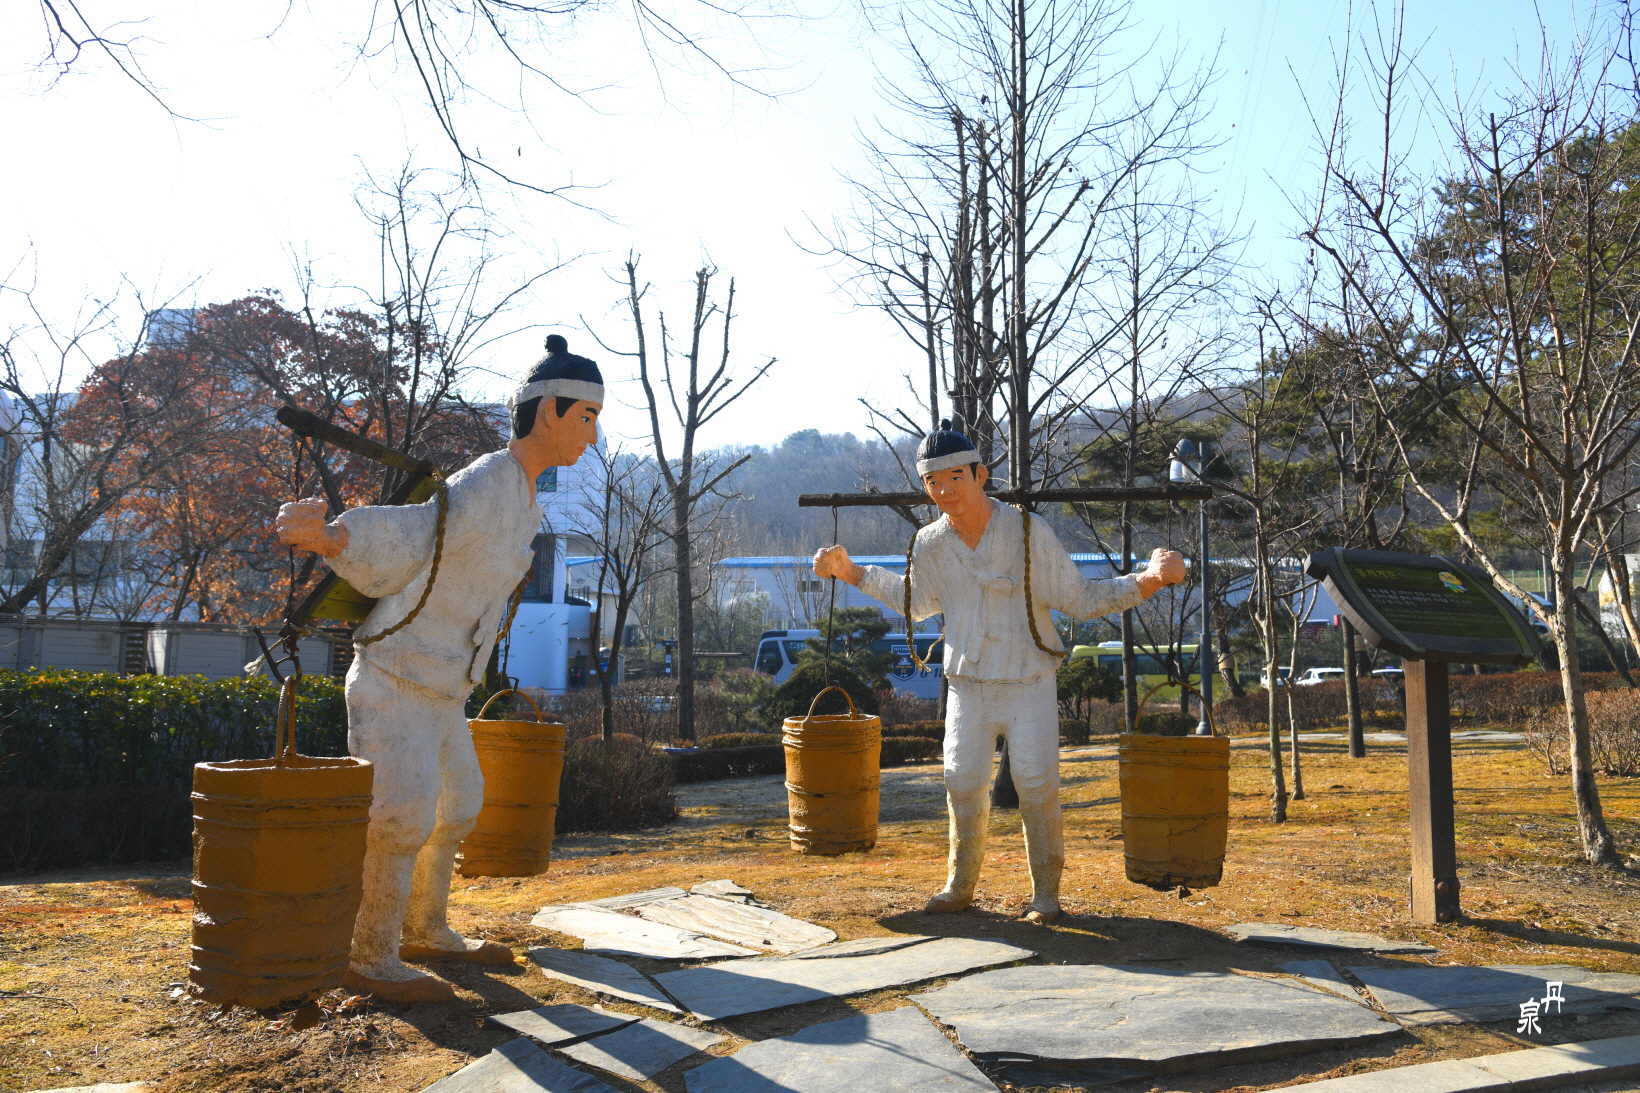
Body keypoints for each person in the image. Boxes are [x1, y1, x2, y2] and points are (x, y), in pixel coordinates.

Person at [273, 334, 602, 1002]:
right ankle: (370, 954)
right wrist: (332, 537)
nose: (593, 436)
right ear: (549, 412)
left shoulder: (527, 500)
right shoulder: (488, 480)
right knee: (400, 816)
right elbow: (419, 530)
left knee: (457, 805)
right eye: (587, 417)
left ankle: (425, 928)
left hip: (444, 685)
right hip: (396, 676)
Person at [812, 422, 1185, 924]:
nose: (945, 491)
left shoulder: (1028, 532)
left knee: (1036, 783)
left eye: (955, 478)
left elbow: (1080, 598)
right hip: (968, 684)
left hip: (1029, 679)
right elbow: (916, 601)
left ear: (980, 475)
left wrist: (1149, 580)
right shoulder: (930, 543)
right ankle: (959, 884)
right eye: (933, 482)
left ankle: (1046, 893)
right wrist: (851, 571)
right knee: (961, 780)